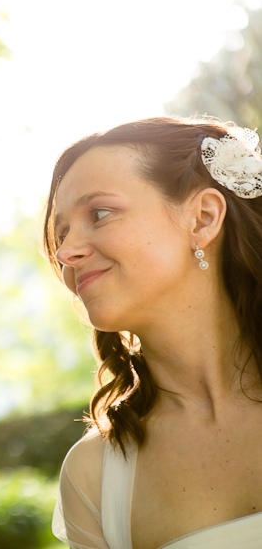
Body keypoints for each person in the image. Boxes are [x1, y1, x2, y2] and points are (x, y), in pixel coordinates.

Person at [44, 116, 262, 548]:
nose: (67, 253)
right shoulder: (93, 476)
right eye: (61, 233)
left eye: (99, 213)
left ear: (202, 218)